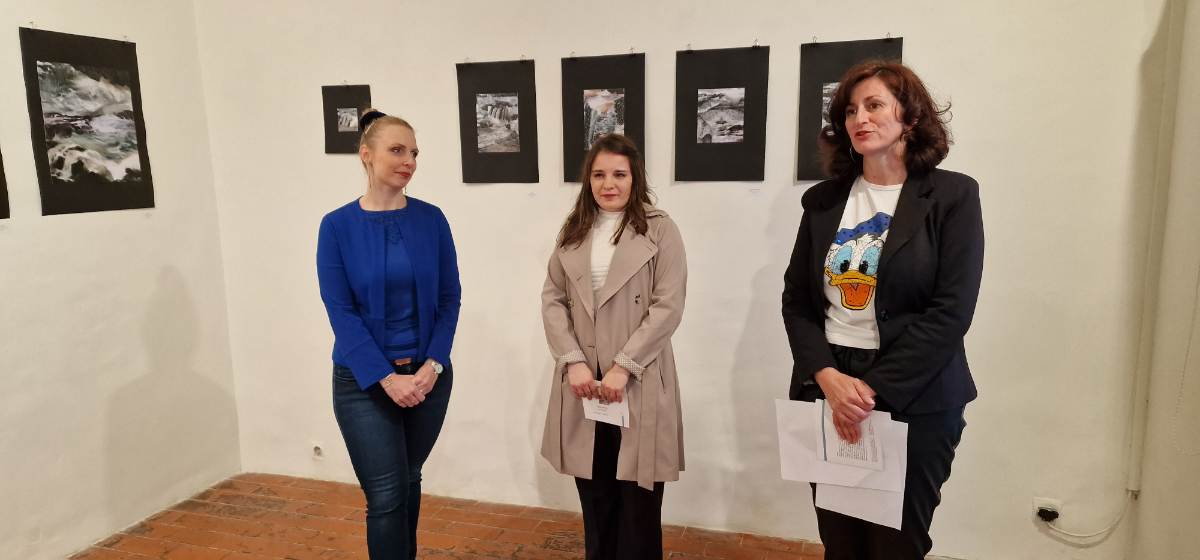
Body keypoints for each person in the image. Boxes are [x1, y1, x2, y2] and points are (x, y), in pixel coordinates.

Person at [782, 61, 984, 559]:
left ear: (910, 117)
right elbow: (797, 300)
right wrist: (827, 377)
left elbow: (951, 311)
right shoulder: (823, 201)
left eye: (874, 105)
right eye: (851, 110)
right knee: (841, 543)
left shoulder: (953, 196)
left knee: (897, 545)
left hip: (916, 390)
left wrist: (870, 392)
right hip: (829, 387)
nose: (860, 118)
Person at [316, 109, 461, 559]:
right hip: (363, 384)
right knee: (385, 496)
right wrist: (386, 378)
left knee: (409, 479)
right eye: (397, 150)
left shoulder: (432, 220)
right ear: (366, 154)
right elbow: (340, 311)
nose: (409, 161)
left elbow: (449, 298)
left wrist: (433, 365)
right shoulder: (336, 227)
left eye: (414, 152)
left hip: (427, 378)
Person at [540, 133, 687, 560]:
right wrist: (573, 362)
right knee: (596, 497)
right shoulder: (574, 231)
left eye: (619, 174)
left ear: (634, 177)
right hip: (586, 382)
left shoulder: (660, 229)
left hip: (638, 379)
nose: (609, 184)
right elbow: (553, 299)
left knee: (639, 503)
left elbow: (668, 306)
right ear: (588, 179)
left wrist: (624, 367)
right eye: (599, 174)